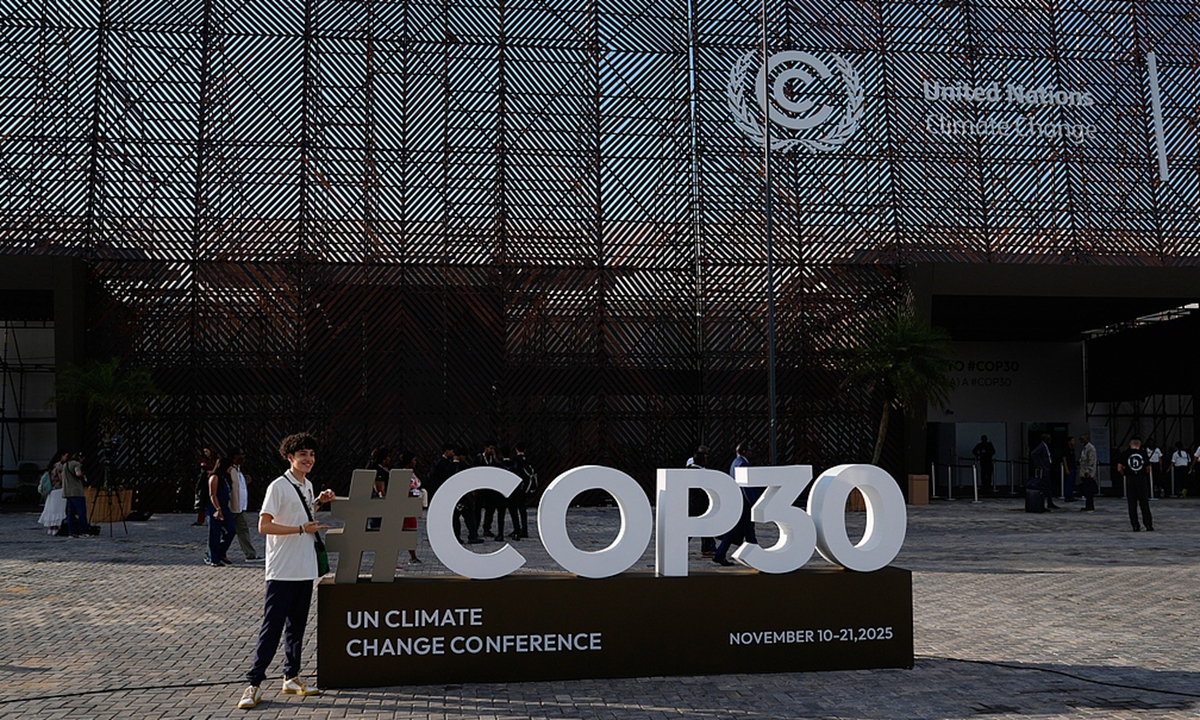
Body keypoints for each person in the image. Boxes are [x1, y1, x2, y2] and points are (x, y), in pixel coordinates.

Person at [236, 432, 335, 710]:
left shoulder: (307, 485)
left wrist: (318, 503)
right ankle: (253, 683)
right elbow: (263, 526)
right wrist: (301, 529)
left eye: (312, 454)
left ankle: (291, 677)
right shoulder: (278, 486)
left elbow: (300, 513)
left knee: (297, 628)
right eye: (302, 454)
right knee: (272, 628)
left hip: (304, 568)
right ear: (290, 457)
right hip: (281, 570)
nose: (308, 459)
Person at [713, 442, 761, 567]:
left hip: (740, 503)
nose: (752, 452)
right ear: (744, 451)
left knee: (743, 530)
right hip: (745, 504)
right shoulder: (742, 464)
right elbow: (746, 487)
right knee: (748, 529)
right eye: (750, 450)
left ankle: (720, 554)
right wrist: (754, 502)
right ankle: (756, 556)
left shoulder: (736, 462)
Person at [206, 455, 237, 566]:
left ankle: (221, 552)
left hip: (225, 507)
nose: (231, 469)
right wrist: (218, 509)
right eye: (230, 466)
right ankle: (213, 558)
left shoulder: (225, 478)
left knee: (231, 530)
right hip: (215, 508)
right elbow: (212, 495)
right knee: (214, 533)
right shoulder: (214, 477)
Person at [1117, 436, 1153, 532]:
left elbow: (1119, 468)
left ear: (1130, 444)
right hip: (1141, 479)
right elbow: (1148, 468)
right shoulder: (1143, 453)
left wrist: (1125, 474)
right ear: (1139, 444)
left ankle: (1135, 525)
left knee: (1132, 504)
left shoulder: (1125, 454)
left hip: (1130, 479)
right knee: (1144, 503)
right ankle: (1148, 525)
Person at [229, 448, 259, 561]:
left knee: (243, 530)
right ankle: (213, 553)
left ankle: (250, 554)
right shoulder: (230, 470)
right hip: (231, 506)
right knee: (226, 531)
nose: (243, 457)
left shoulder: (238, 470)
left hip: (240, 507)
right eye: (241, 455)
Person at [686, 445, 715, 557]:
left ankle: (708, 548)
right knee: (694, 527)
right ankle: (707, 548)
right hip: (699, 503)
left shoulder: (692, 469)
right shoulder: (698, 471)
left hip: (695, 503)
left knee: (702, 527)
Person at [394, 450, 422, 564]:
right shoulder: (402, 474)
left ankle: (413, 555)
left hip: (412, 504)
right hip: (405, 504)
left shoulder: (411, 472)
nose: (415, 462)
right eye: (414, 460)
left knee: (411, 529)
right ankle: (411, 556)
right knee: (405, 530)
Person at [507, 443, 537, 540]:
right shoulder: (528, 459)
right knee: (523, 509)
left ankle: (517, 530)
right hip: (526, 488)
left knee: (514, 509)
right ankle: (525, 529)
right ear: (525, 449)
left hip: (518, 488)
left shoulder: (515, 459)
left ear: (516, 449)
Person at [475, 441, 502, 539]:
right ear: (485, 448)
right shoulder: (479, 458)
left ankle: (487, 528)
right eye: (490, 448)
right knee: (477, 509)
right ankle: (475, 528)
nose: (492, 450)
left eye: (493, 449)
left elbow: (499, 468)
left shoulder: (493, 459)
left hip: (491, 488)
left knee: (490, 509)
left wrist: (495, 458)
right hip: (481, 488)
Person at [38, 453, 67, 535]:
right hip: (59, 489)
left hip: (51, 490)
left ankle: (51, 527)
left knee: (51, 509)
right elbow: (61, 478)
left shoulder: (51, 466)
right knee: (58, 509)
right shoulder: (59, 466)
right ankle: (56, 527)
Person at [62, 451, 89, 537]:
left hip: (68, 492)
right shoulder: (76, 464)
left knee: (70, 514)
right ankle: (83, 531)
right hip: (76, 492)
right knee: (81, 512)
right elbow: (78, 473)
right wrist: (83, 476)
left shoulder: (66, 464)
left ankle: (71, 531)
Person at [1030, 434, 1057, 510]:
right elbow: (1033, 453)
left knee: (1048, 486)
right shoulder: (1041, 446)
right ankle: (1043, 503)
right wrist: (1039, 464)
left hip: (1047, 468)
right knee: (1044, 486)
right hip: (1044, 469)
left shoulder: (1044, 446)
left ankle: (1049, 502)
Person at [194, 445, 216, 526]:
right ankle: (201, 519)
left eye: (207, 451)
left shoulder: (215, 460)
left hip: (213, 481)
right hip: (204, 482)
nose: (205, 453)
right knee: (202, 501)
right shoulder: (204, 460)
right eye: (204, 452)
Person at [1077, 434, 1098, 512]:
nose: (1081, 441)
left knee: (1089, 490)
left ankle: (1090, 505)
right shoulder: (1085, 448)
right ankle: (1088, 504)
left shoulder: (1090, 448)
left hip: (1088, 473)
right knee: (1086, 490)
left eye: (1082, 439)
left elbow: (1091, 461)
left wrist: (1088, 471)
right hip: (1084, 472)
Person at [1060, 436, 1078, 502]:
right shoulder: (1066, 450)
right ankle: (1067, 496)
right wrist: (1066, 469)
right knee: (1068, 482)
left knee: (1072, 482)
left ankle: (1071, 495)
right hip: (1069, 468)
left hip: (1073, 467)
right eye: (1072, 441)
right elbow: (1064, 459)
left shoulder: (1072, 449)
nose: (1074, 442)